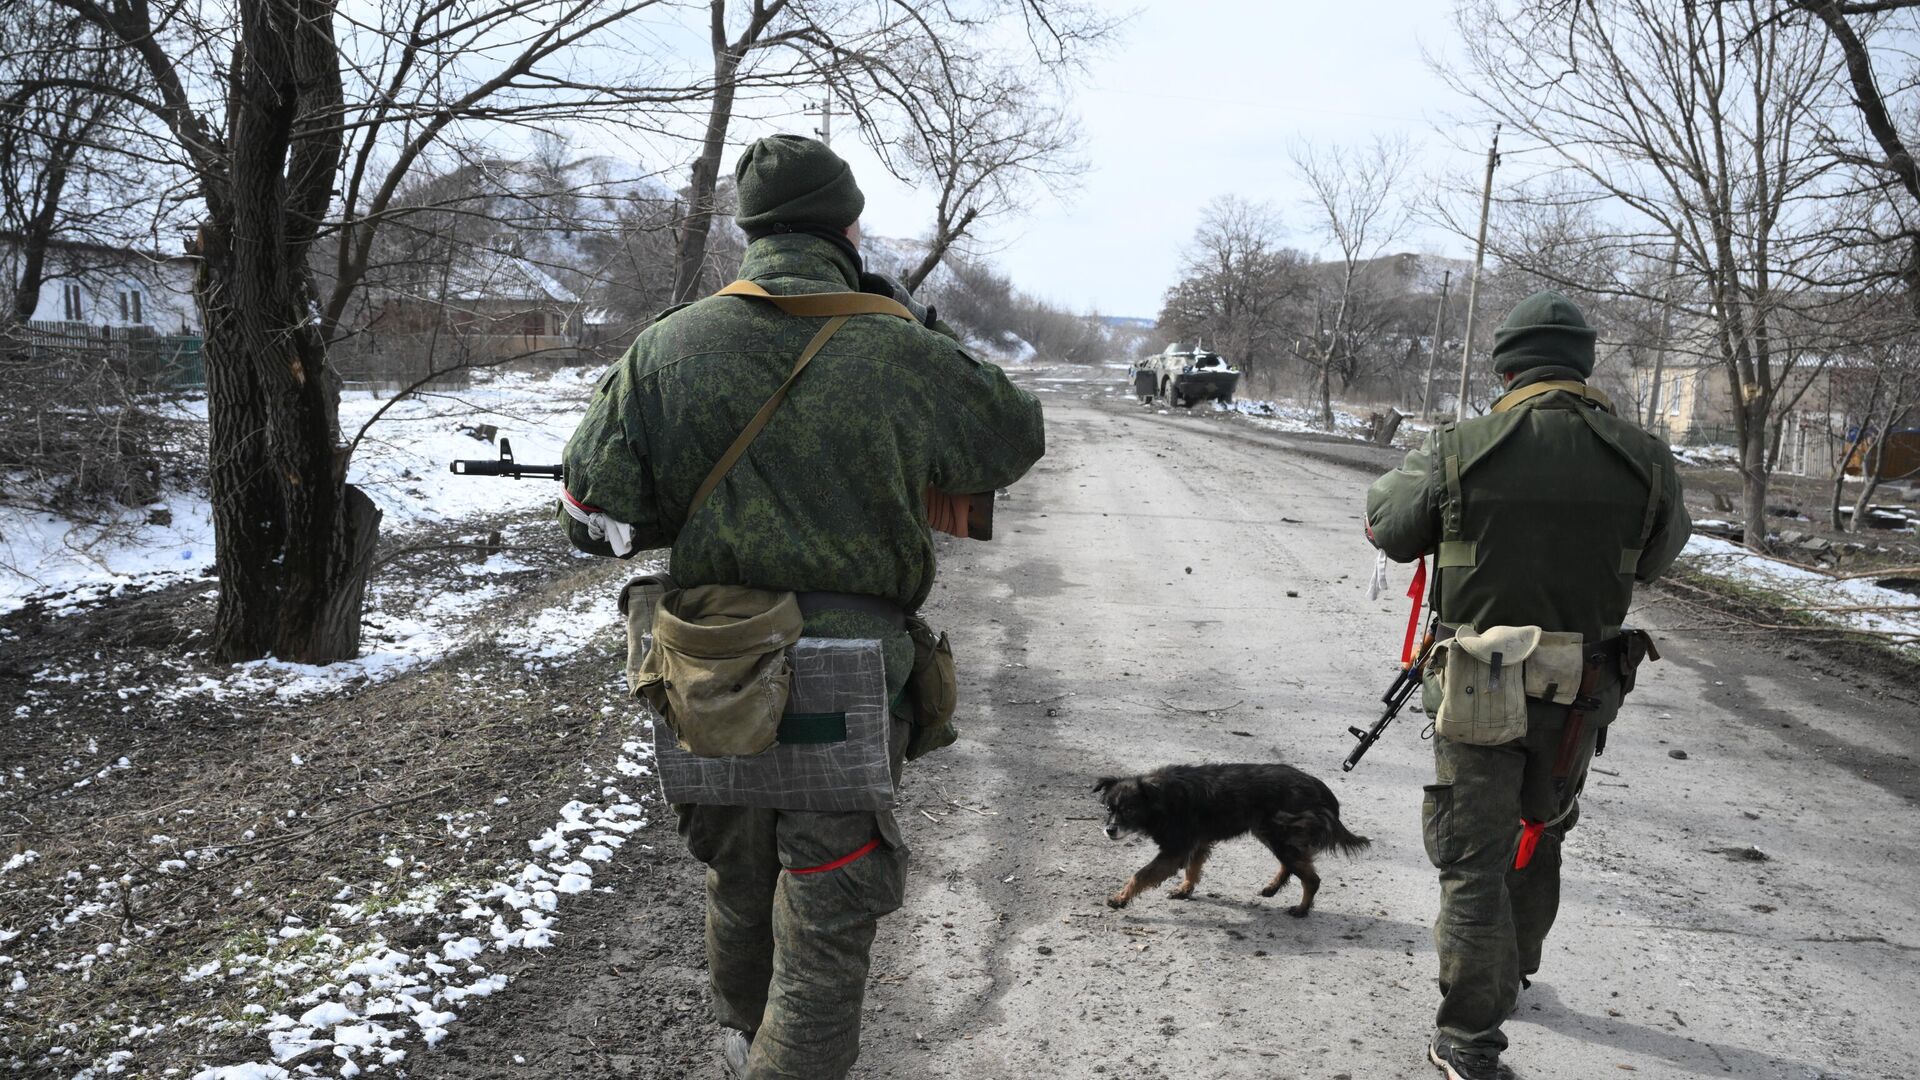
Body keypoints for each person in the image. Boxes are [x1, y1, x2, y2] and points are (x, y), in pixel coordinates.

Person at [556, 133, 1044, 1079]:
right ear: (848, 227)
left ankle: (748, 1043)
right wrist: (918, 325)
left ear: (749, 230)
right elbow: (1013, 435)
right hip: (847, 682)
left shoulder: (669, 345)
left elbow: (592, 519)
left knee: (737, 882)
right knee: (825, 911)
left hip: (710, 673)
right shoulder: (896, 347)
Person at [1364, 290, 1690, 1080]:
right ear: (1581, 366)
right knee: (1540, 828)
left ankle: (1469, 1039)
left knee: (1473, 856)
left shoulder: (1460, 444)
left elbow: (1387, 526)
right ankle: (1513, 969)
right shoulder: (1643, 456)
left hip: (1478, 681)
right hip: (1583, 683)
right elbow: (1655, 558)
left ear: (1505, 367)